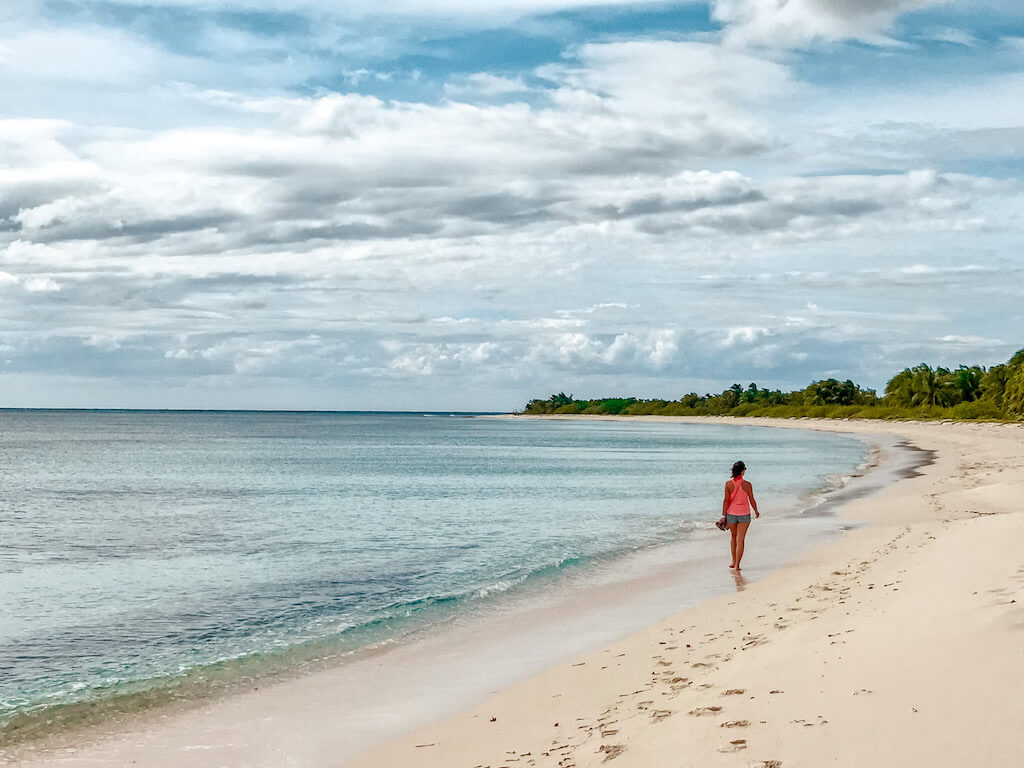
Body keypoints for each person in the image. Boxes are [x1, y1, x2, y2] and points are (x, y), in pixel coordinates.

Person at [723, 460, 759, 570]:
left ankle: (733, 561)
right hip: (744, 514)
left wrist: (724, 515)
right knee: (740, 539)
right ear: (743, 471)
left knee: (733, 537)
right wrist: (756, 511)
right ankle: (737, 565)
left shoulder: (728, 484)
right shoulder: (747, 484)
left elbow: (726, 501)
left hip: (731, 514)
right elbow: (751, 499)